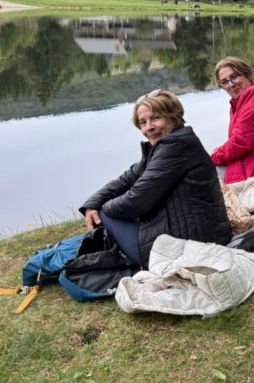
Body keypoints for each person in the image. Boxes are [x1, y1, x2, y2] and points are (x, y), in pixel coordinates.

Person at [79, 90, 231, 268]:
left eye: (155, 118)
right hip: (201, 232)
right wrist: (93, 203)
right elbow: (127, 179)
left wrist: (101, 208)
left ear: (172, 116)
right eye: (143, 122)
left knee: (104, 214)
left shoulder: (175, 145)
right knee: (104, 211)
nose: (148, 127)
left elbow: (137, 200)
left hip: (191, 244)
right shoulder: (168, 144)